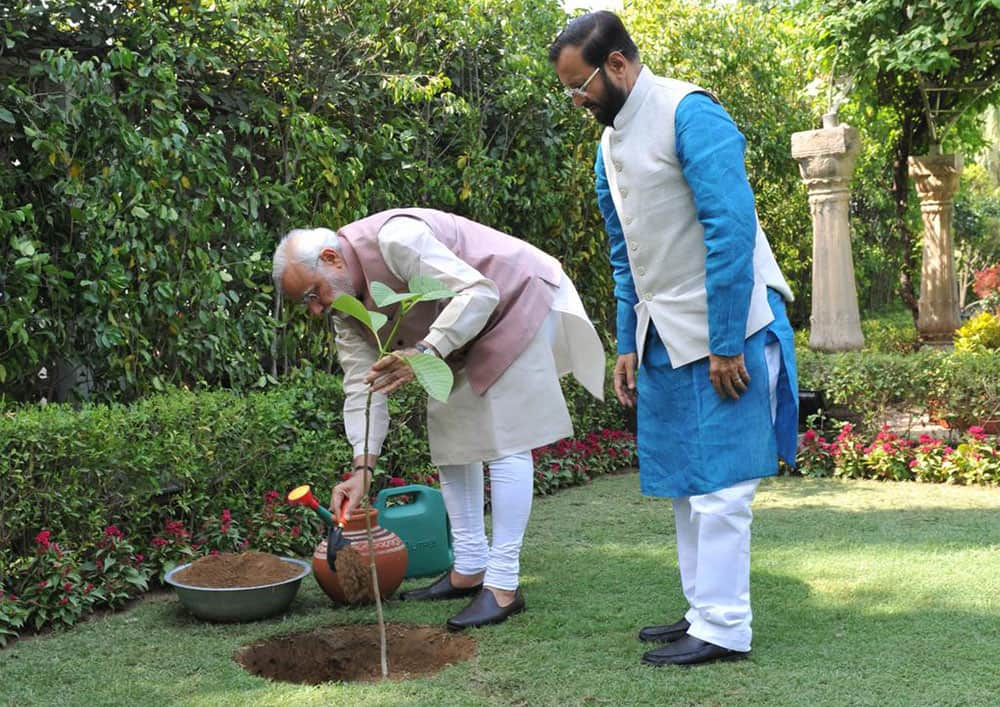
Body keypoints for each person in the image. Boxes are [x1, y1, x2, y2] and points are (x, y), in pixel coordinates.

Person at [550, 12, 799, 666]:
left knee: (723, 485)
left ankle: (725, 627)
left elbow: (731, 229)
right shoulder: (609, 145)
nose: (575, 100)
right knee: (690, 481)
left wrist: (723, 343)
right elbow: (623, 250)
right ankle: (702, 612)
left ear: (619, 65)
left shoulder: (691, 112)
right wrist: (628, 337)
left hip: (731, 323)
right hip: (665, 330)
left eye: (580, 86)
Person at [271, 208, 605, 630]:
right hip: (457, 334)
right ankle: (469, 567)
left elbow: (479, 293)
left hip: (514, 299)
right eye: (307, 304)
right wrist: (362, 469)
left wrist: (427, 352)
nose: (316, 310)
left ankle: (502, 585)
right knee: (451, 438)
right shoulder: (346, 311)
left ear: (331, 259)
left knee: (505, 441)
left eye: (312, 294)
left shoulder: (397, 239)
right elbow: (361, 385)